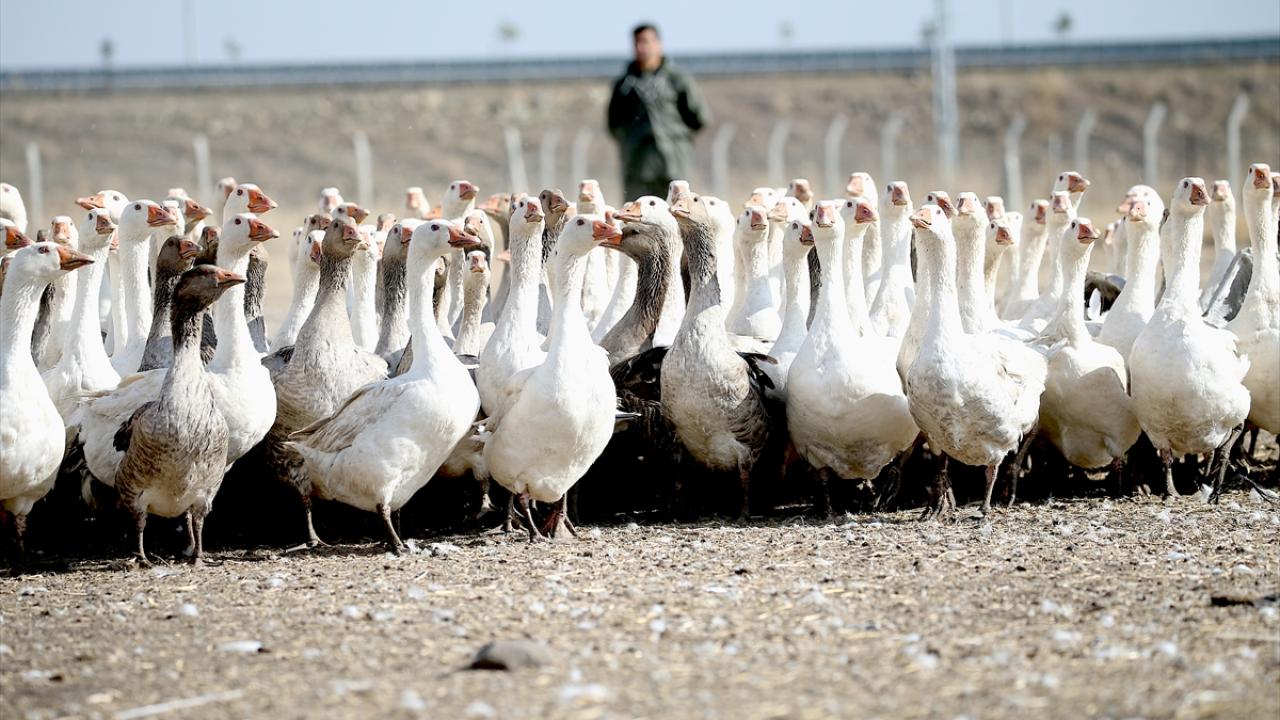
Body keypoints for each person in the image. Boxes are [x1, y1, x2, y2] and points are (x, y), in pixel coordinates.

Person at [607, 23, 710, 201]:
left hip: (673, 163)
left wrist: (676, 138)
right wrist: (632, 139)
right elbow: (614, 123)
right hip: (638, 165)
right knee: (636, 213)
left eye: (646, 41)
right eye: (637, 42)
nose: (641, 48)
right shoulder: (625, 85)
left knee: (678, 211)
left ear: (658, 44)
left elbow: (698, 118)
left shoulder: (677, 80)